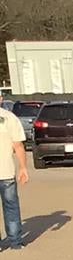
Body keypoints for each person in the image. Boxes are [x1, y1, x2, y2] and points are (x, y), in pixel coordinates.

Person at [0, 92, 27, 251]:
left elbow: (18, 146)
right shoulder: (9, 118)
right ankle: (15, 242)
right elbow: (18, 146)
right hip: (6, 172)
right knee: (11, 206)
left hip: (7, 172)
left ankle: (15, 240)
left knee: (11, 205)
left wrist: (23, 168)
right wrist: (23, 167)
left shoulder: (9, 118)